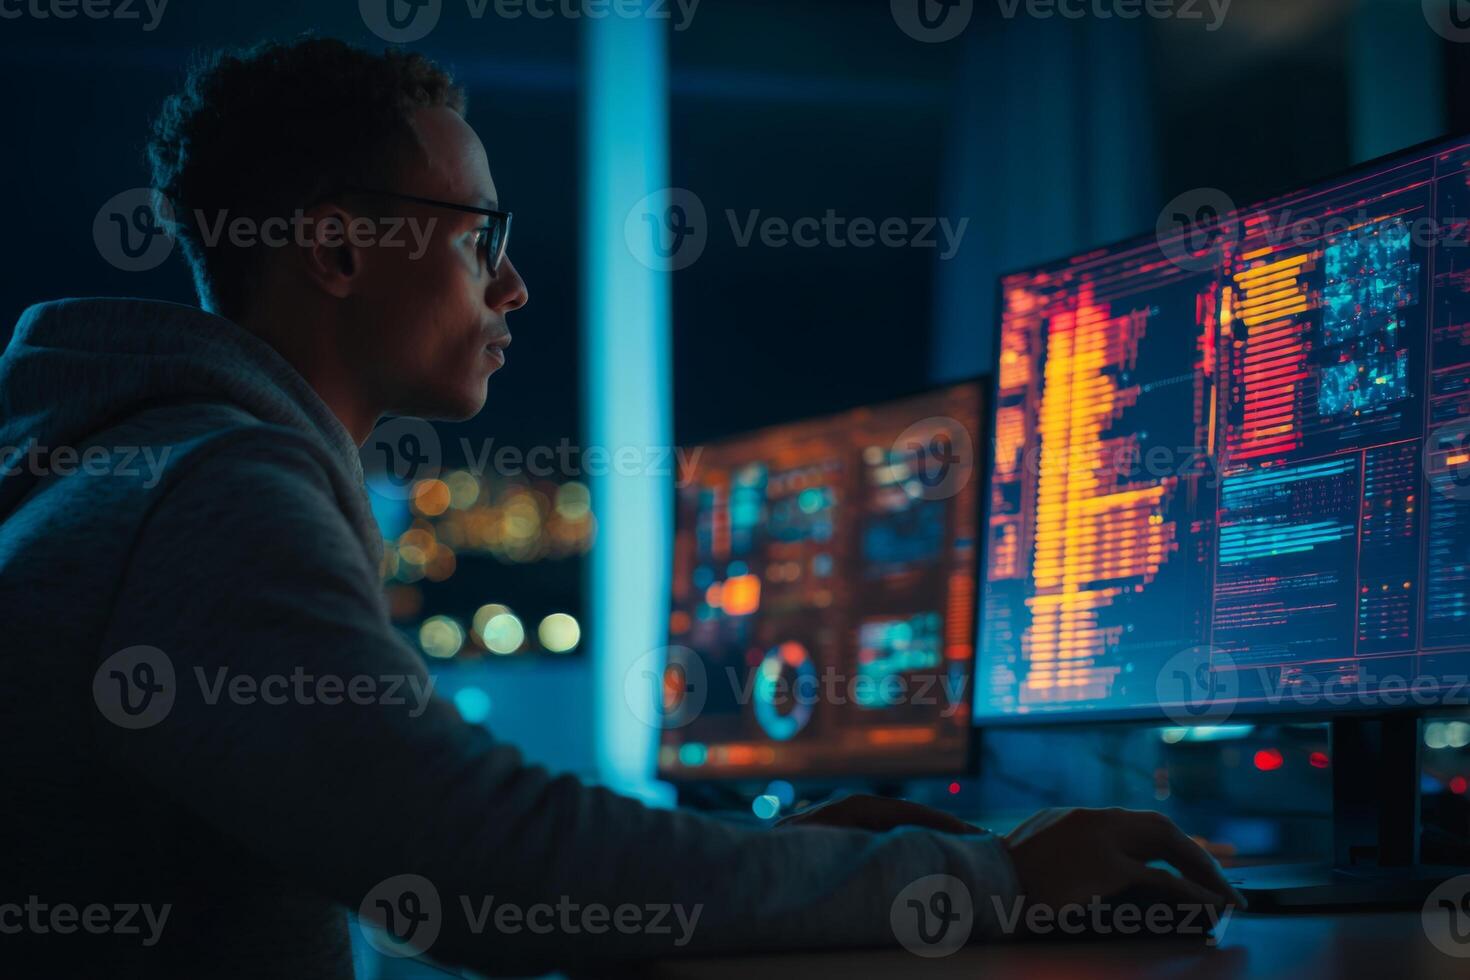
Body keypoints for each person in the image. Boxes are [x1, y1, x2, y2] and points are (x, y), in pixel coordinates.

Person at [0, 37, 1243, 978]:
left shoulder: (157, 468)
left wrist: (800, 857)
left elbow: (423, 829)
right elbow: (483, 862)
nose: (515, 284)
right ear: (336, 251)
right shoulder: (218, 495)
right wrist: (988, 873)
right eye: (479, 236)